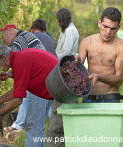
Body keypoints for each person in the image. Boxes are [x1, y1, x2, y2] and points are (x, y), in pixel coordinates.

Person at [0, 45, 59, 147]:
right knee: (55, 133)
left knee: (55, 134)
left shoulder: (20, 62)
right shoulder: (20, 58)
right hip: (59, 93)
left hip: (63, 94)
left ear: (4, 58)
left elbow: (17, 100)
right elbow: (16, 90)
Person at [0, 24, 51, 147]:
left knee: (33, 126)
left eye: (2, 35)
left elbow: (13, 60)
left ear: (9, 31)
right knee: (37, 127)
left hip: (40, 84)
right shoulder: (26, 37)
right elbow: (24, 66)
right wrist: (10, 74)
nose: (2, 39)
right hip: (45, 83)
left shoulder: (20, 40)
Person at [9, 19, 58, 132]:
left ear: (32, 29)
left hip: (41, 79)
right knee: (50, 118)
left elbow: (18, 61)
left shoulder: (28, 36)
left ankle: (19, 124)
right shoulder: (49, 38)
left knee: (34, 124)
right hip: (55, 80)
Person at [78, 7, 123, 103]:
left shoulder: (121, 47)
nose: (108, 32)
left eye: (113, 28)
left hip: (110, 98)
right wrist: (73, 62)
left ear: (118, 28)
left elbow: (119, 80)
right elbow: (76, 70)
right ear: (99, 23)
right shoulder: (87, 42)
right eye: (105, 26)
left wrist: (99, 77)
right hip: (88, 98)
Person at [46, 8, 79, 147]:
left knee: (60, 118)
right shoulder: (66, 29)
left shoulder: (71, 30)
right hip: (61, 70)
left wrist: (51, 61)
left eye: (62, 21)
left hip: (65, 71)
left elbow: (64, 52)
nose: (60, 23)